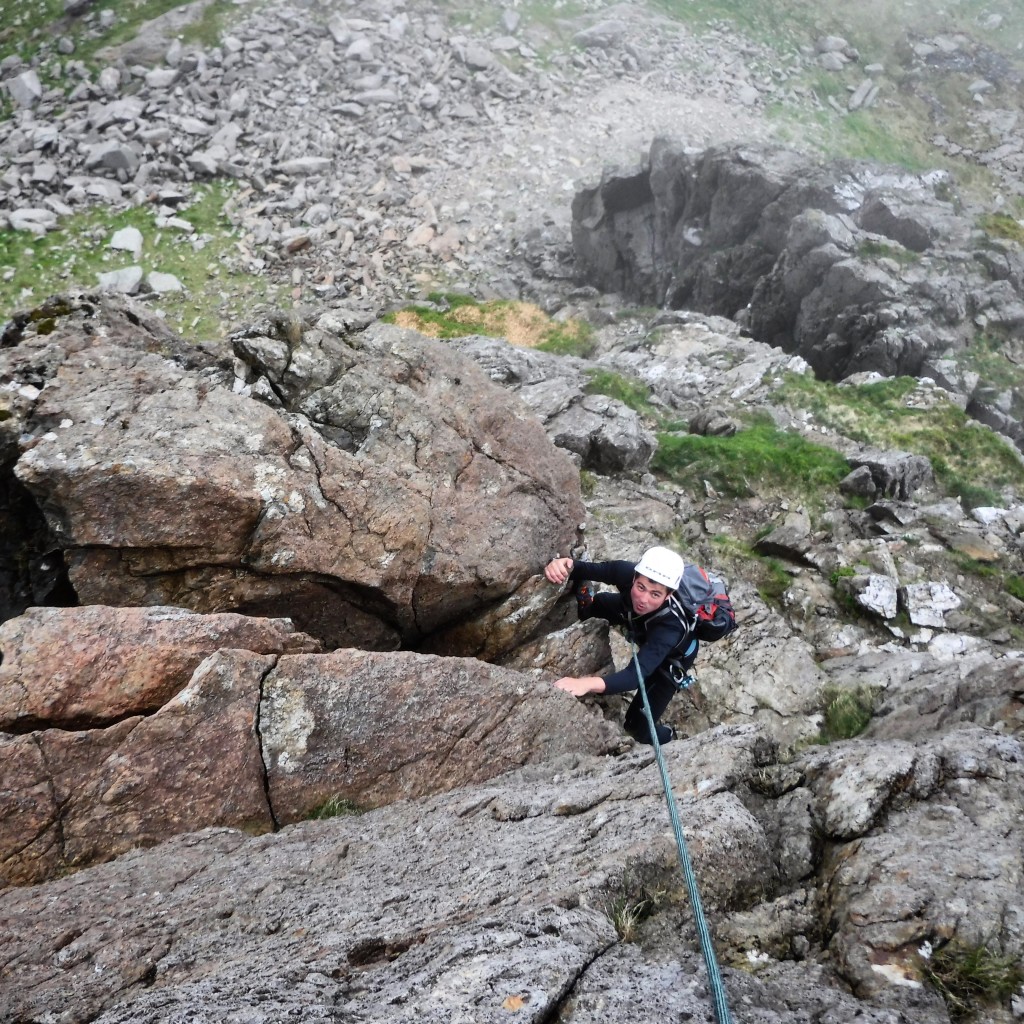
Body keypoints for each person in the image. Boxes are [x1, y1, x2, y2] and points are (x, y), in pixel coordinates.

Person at [544, 545, 698, 745]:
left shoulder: (670, 627)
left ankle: (671, 738)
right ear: (634, 577)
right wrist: (560, 565)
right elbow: (584, 568)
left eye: (655, 594)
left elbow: (634, 677)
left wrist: (585, 684)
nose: (643, 599)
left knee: (637, 727)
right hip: (637, 620)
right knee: (599, 604)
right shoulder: (626, 572)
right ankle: (589, 606)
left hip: (671, 659)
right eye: (641, 587)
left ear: (668, 596)